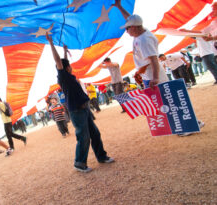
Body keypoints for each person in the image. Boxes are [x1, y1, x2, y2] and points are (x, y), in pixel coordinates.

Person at [114, 0, 205, 136]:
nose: (126, 31)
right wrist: (119, 6)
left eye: (128, 28)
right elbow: (130, 19)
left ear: (135, 27)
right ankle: (192, 123)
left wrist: (155, 78)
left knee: (169, 99)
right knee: (167, 100)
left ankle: (190, 125)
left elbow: (154, 60)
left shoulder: (145, 40)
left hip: (153, 75)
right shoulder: (141, 33)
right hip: (148, 75)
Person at [46, 32, 114, 173]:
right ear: (66, 68)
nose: (71, 66)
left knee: (94, 134)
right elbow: (59, 61)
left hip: (84, 109)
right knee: (83, 137)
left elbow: (63, 62)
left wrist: (64, 51)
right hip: (77, 110)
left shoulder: (68, 75)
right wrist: (51, 43)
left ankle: (101, 156)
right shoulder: (63, 76)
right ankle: (79, 163)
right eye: (68, 65)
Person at [179, 2, 217, 85]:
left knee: (212, 66)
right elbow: (202, 32)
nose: (212, 11)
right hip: (214, 48)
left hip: (210, 51)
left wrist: (212, 38)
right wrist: (186, 31)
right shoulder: (212, 22)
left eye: (214, 9)